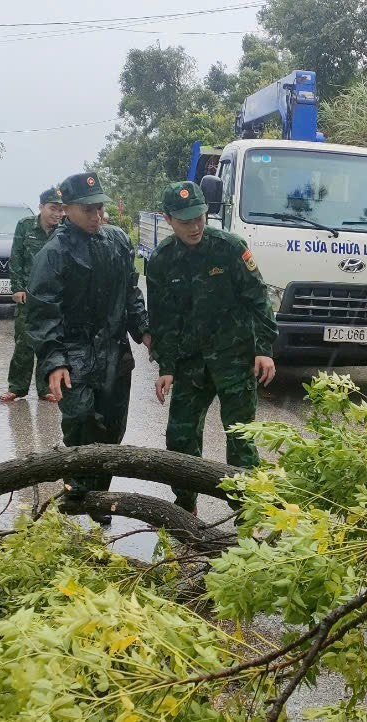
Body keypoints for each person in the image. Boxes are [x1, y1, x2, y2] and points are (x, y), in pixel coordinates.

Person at [27, 171, 151, 525]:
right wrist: (54, 362)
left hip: (114, 352)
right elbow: (43, 311)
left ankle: (99, 499)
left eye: (99, 209)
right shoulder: (54, 252)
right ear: (67, 209)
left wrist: (142, 329)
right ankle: (74, 491)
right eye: (88, 210)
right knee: (80, 421)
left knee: (112, 427)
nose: (96, 216)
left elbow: (130, 292)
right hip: (73, 353)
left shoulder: (116, 241)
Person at [147, 181, 278, 514]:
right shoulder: (161, 260)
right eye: (186, 220)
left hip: (234, 359)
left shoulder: (230, 248)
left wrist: (264, 349)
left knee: (240, 440)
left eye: (200, 217)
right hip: (191, 364)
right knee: (180, 439)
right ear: (168, 219)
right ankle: (185, 507)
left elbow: (259, 300)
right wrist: (166, 366)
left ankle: (246, 514)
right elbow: (163, 319)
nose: (195, 226)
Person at [0, 186, 65, 403]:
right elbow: (16, 256)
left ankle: (45, 387)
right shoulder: (25, 226)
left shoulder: (64, 229)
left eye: (60, 210)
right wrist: (17, 287)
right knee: (24, 342)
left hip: (54, 296)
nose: (57, 214)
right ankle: (17, 387)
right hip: (28, 294)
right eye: (53, 208)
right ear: (41, 207)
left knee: (50, 340)